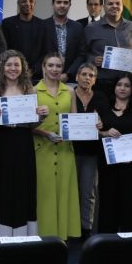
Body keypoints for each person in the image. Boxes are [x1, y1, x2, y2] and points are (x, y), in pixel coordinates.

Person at [0, 50, 47, 237]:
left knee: (22, 188)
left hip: (22, 145)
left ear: (23, 67)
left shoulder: (29, 90)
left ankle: (21, 238)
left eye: (17, 65)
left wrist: (41, 117)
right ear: (2, 66)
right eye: (9, 64)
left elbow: (32, 124)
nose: (13, 68)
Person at [97, 72, 132, 233]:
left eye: (127, 85)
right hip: (108, 163)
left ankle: (129, 239)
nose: (122, 88)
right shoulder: (102, 106)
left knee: (130, 202)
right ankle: (106, 239)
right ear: (114, 86)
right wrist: (105, 133)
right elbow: (95, 131)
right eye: (119, 85)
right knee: (108, 201)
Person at [32, 53, 81, 240]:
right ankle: (44, 238)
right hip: (41, 149)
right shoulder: (32, 91)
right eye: (50, 65)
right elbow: (27, 125)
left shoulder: (70, 91)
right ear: (43, 67)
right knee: (44, 196)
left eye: (58, 66)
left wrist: (91, 125)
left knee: (63, 193)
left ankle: (62, 238)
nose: (54, 69)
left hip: (65, 150)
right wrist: (45, 133)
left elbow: (74, 120)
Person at [81, 0, 132, 94]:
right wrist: (92, 59)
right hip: (102, 82)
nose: (114, 6)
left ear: (122, 6)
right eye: (110, 4)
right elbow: (82, 53)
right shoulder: (91, 28)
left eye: (118, 3)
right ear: (104, 7)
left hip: (127, 83)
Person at [70, 63, 106, 239]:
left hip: (92, 152)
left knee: (88, 192)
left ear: (95, 80)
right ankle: (70, 228)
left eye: (91, 75)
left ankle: (86, 228)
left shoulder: (100, 97)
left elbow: (107, 120)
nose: (87, 78)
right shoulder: (68, 95)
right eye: (83, 74)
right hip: (69, 150)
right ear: (76, 77)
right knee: (69, 191)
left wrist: (102, 124)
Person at [41, 0, 85, 82]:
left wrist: (68, 74)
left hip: (70, 79)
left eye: (65, 2)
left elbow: (81, 54)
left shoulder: (77, 27)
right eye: (59, 2)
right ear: (53, 4)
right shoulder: (42, 25)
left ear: (70, 5)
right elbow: (38, 53)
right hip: (46, 78)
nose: (62, 5)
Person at [1, 0, 45, 77]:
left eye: (31, 1)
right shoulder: (7, 23)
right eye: (24, 1)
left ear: (34, 4)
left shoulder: (42, 25)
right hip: (12, 72)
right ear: (18, 3)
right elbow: (4, 49)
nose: (28, 4)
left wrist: (34, 70)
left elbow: (45, 51)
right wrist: (15, 68)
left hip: (35, 74)